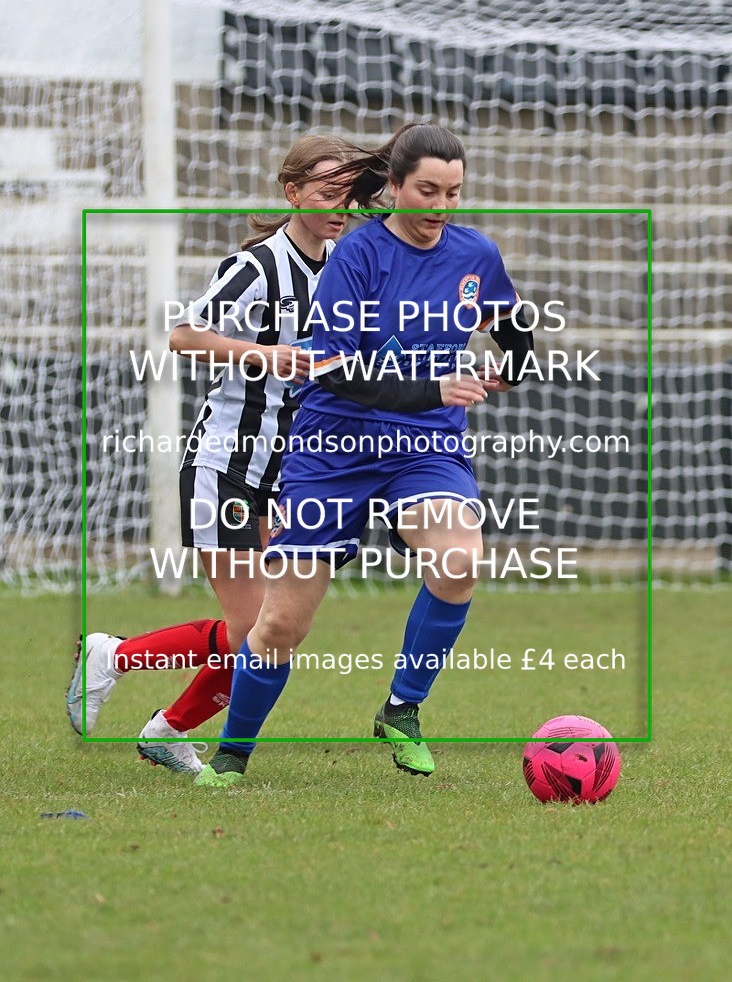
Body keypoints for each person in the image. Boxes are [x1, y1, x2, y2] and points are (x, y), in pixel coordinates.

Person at [196, 123, 534, 787]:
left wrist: (515, 364)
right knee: (280, 624)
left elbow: (508, 319)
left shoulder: (475, 253)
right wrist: (433, 386)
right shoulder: (356, 255)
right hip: (335, 445)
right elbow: (334, 370)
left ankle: (402, 708)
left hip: (423, 443)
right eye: (427, 190)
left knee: (460, 558)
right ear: (396, 187)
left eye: (453, 193)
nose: (441, 205)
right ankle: (232, 756)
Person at [66, 133, 359, 773]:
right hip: (225, 465)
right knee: (254, 630)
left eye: (348, 194)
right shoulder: (258, 267)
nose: (340, 206)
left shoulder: (345, 267)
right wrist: (264, 354)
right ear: (293, 192)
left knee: (274, 631)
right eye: (326, 192)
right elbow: (181, 335)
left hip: (291, 476)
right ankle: (120, 667)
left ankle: (157, 715)